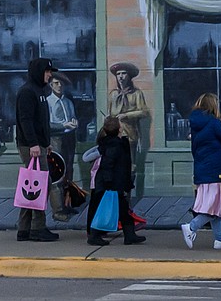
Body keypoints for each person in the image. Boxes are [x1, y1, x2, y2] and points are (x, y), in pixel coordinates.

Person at [181, 92, 221, 250]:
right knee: (213, 206)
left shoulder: (196, 124)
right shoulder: (213, 123)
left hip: (202, 169)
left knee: (216, 205)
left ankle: (219, 239)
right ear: (213, 106)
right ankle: (191, 227)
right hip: (215, 170)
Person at [14, 56, 59, 242]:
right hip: (30, 145)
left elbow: (40, 121)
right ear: (39, 72)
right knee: (40, 185)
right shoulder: (27, 92)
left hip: (38, 145)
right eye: (48, 72)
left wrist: (45, 142)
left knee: (31, 184)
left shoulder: (39, 91)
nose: (50, 75)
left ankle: (23, 229)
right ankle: (38, 227)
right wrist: (33, 143)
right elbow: (26, 120)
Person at [85, 116, 146, 246]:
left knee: (123, 209)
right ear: (119, 129)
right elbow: (108, 165)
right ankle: (94, 235)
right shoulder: (114, 145)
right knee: (107, 209)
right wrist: (108, 183)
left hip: (114, 182)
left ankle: (130, 235)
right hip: (112, 184)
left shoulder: (112, 143)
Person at [47, 72, 79, 221]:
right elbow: (46, 125)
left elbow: (72, 117)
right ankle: (58, 210)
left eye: (61, 83)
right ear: (50, 85)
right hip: (56, 139)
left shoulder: (68, 102)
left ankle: (67, 204)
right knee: (57, 173)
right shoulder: (48, 102)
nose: (59, 86)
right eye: (55, 83)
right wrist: (62, 125)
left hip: (69, 138)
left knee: (69, 171)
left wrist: (74, 123)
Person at [107, 62, 150, 172]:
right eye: (118, 74)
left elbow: (144, 112)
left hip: (129, 135)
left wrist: (127, 115)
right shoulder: (113, 94)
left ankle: (128, 188)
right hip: (115, 136)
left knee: (130, 167)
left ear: (129, 76)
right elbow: (109, 113)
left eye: (124, 73)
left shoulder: (136, 93)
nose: (120, 76)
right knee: (115, 167)